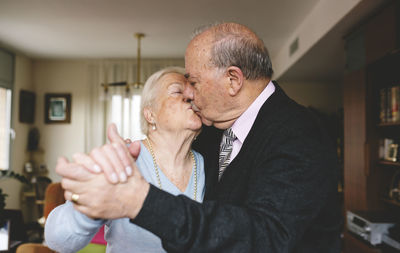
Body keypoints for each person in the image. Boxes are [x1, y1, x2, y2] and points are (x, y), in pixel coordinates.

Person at [55, 23, 342, 252]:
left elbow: (264, 238)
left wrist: (139, 200)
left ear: (233, 80)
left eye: (192, 81)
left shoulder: (301, 135)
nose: (190, 93)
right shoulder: (214, 136)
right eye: (180, 88)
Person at [44, 67, 205, 253]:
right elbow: (58, 240)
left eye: (194, 91)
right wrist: (89, 210)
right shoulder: (122, 159)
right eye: (177, 91)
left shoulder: (211, 165)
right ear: (150, 114)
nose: (191, 97)